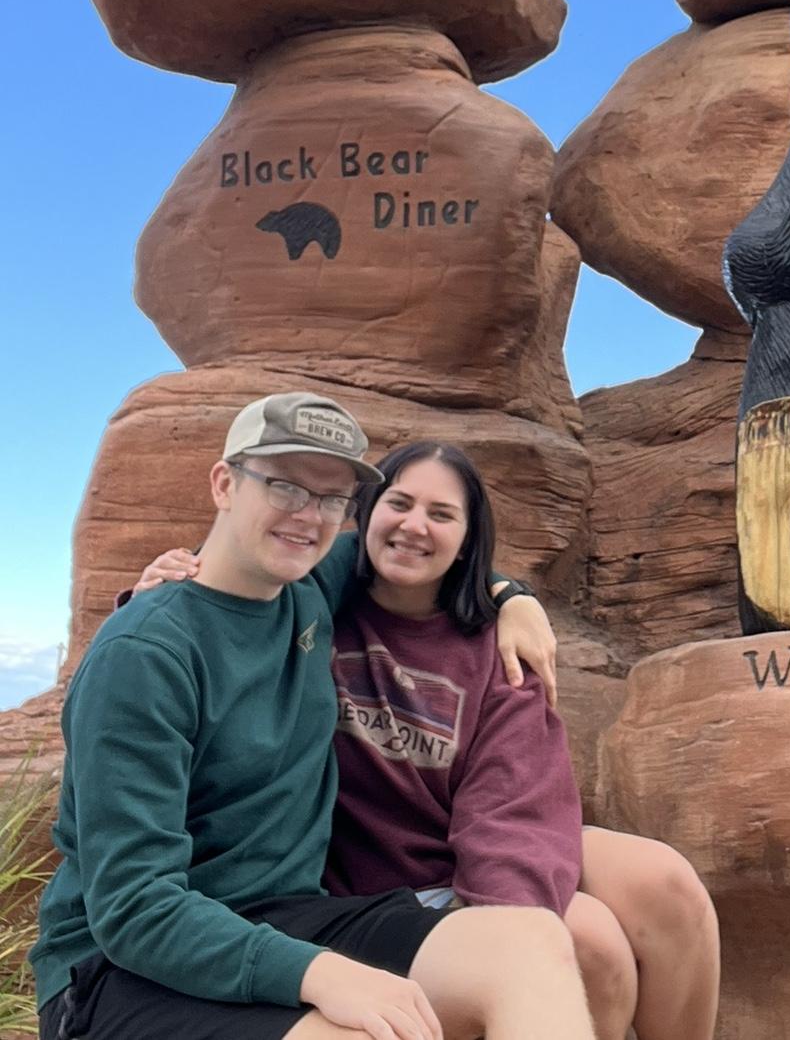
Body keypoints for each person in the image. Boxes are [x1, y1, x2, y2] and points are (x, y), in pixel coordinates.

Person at [30, 391, 596, 1040]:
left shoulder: (311, 583)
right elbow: (132, 908)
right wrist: (322, 974)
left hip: (286, 916)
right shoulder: (145, 655)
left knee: (526, 944)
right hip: (117, 971)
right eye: (285, 487)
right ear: (224, 484)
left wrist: (514, 597)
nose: (310, 516)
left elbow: (415, 544)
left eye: (332, 499)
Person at [139, 439, 721, 1040]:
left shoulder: (498, 648)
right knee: (593, 937)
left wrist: (498, 921)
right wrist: (165, 592)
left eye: (442, 515)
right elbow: (223, 606)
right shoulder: (312, 598)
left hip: (465, 853)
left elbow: (511, 801)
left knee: (659, 880)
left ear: (469, 539)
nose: (415, 525)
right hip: (351, 886)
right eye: (399, 503)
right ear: (365, 512)